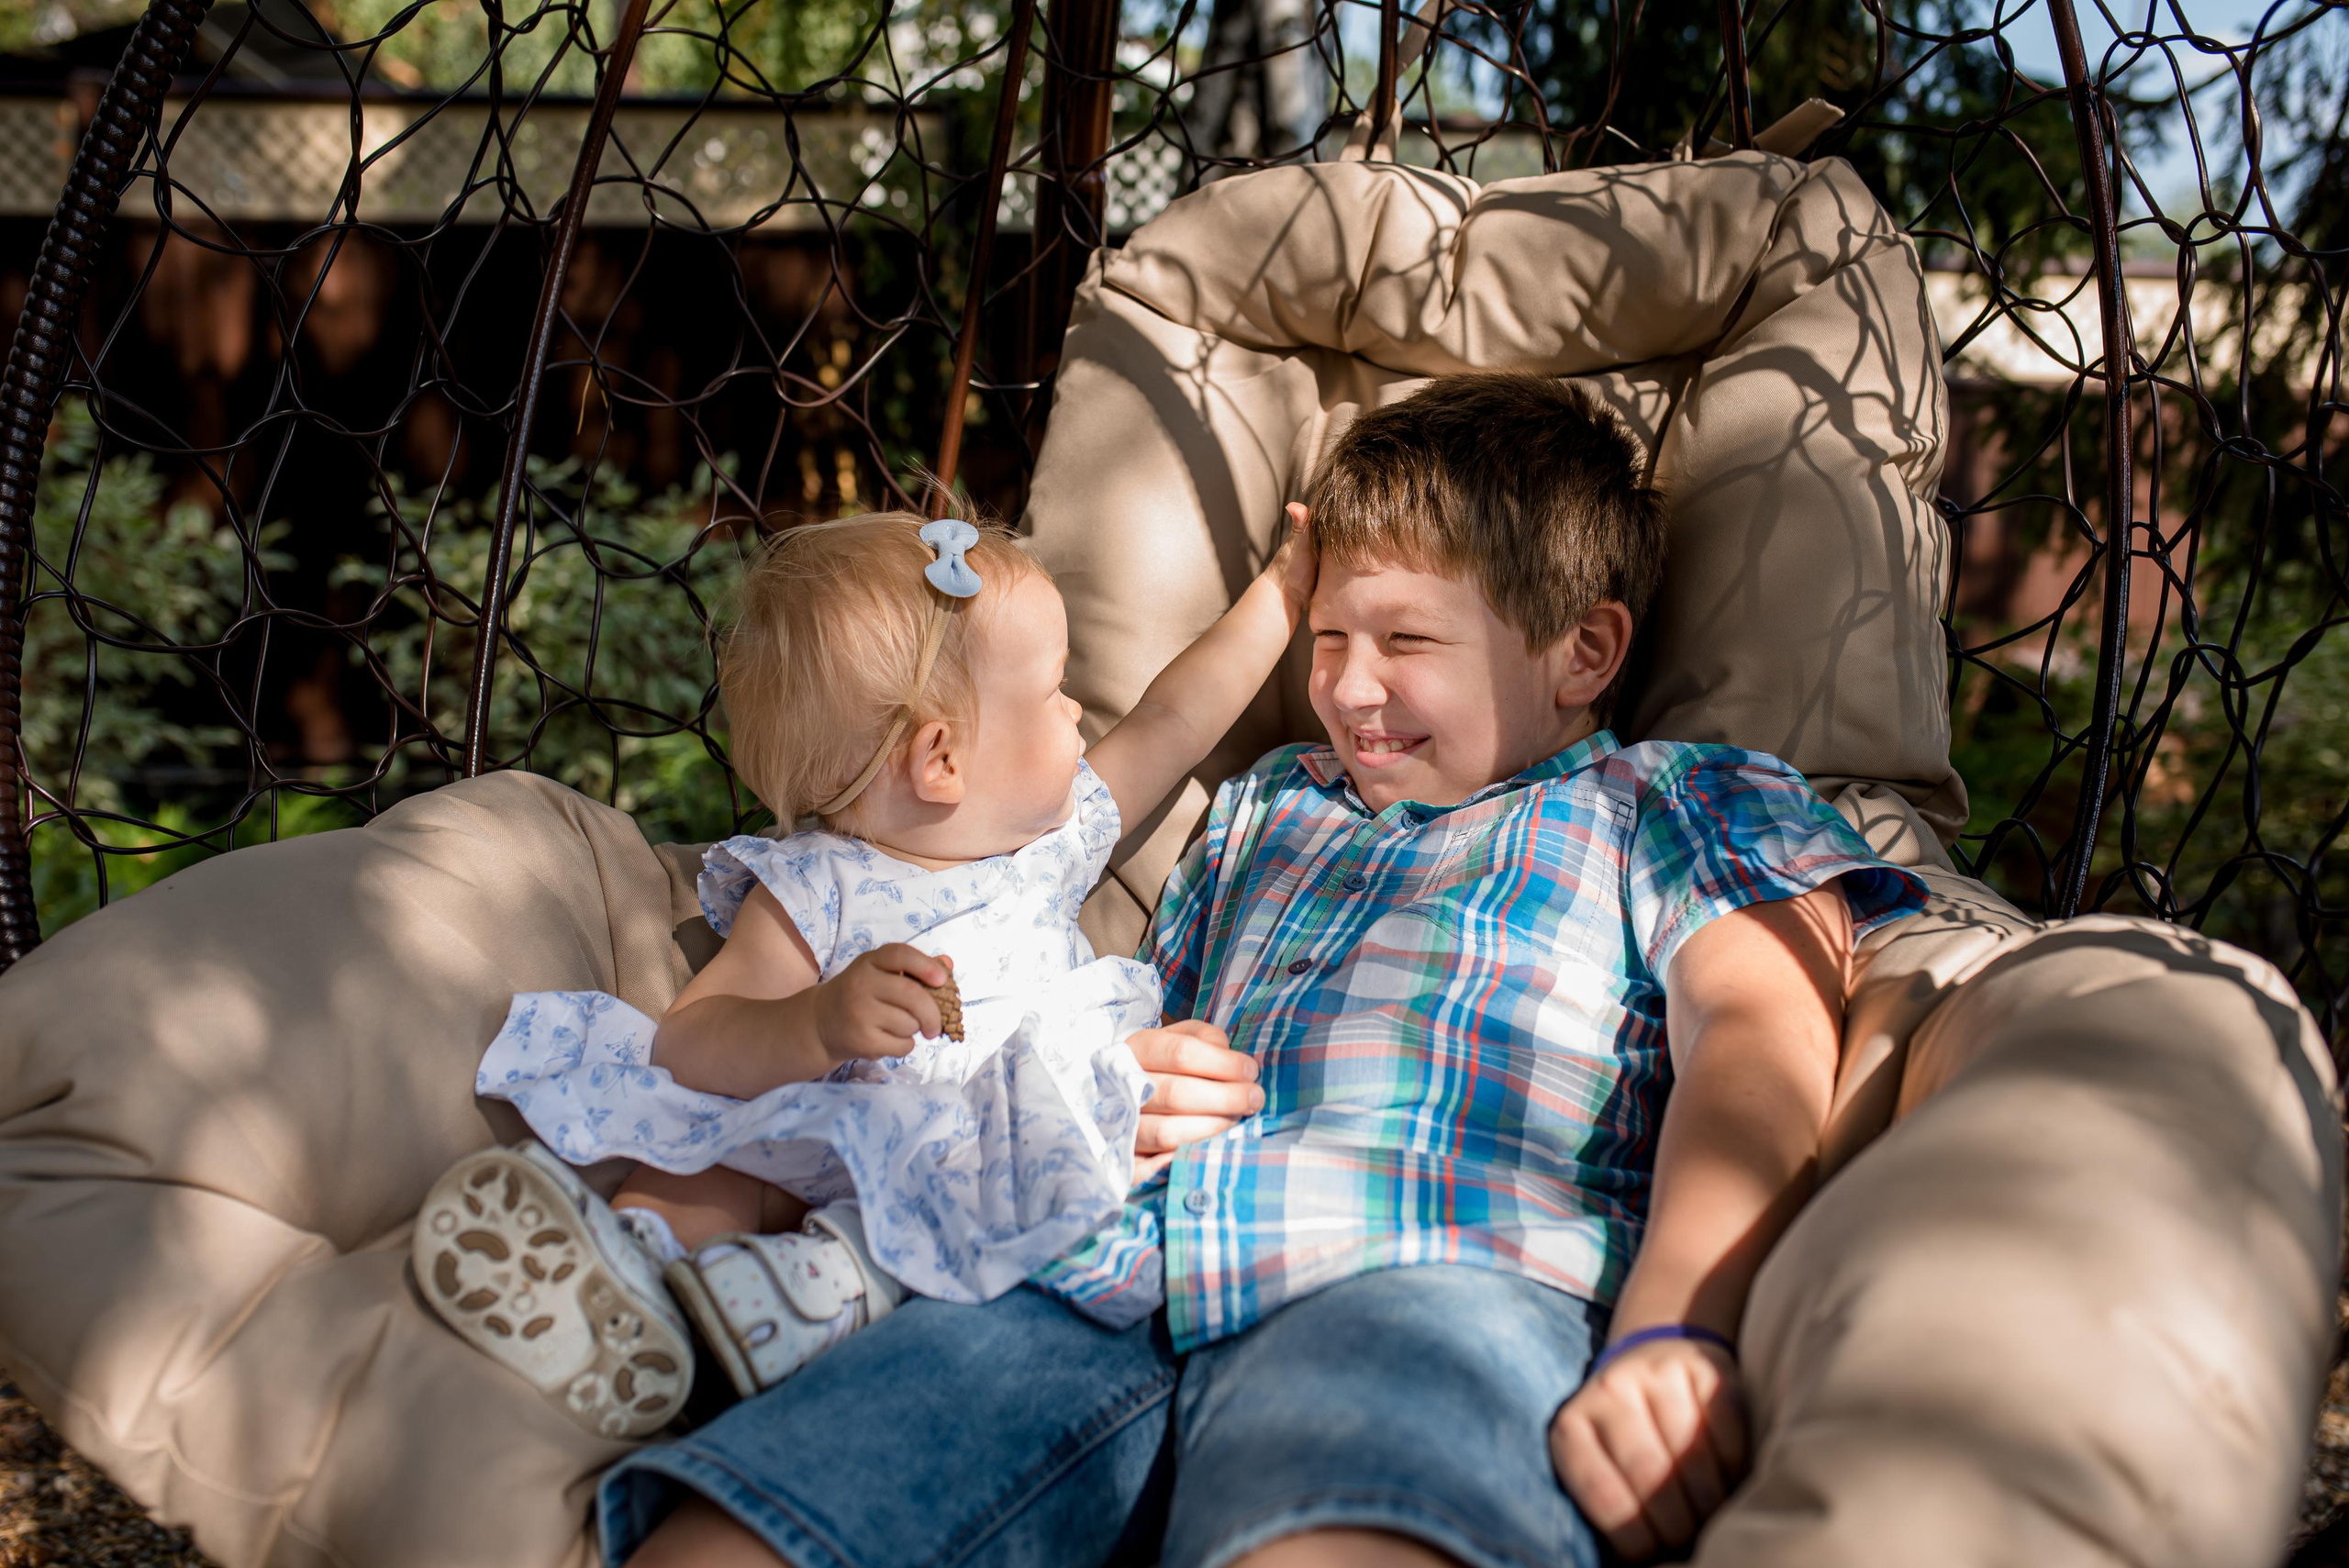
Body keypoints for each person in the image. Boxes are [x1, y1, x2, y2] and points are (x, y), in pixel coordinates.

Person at [596, 372, 1932, 1568]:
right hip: (1098, 1272)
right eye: (1330, 636)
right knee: (744, 1532)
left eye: (1407, 642)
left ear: (1582, 649)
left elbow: (1759, 1043)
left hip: (1424, 1276)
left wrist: (1675, 1323)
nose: (1349, 687)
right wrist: (1116, 1084)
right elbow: (1109, 1012)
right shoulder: (1267, 804)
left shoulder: (1668, 798)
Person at [411, 504, 1314, 1440]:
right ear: (941, 758)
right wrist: (813, 1023)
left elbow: (1176, 714)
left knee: (1060, 1152)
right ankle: (636, 1286)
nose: (1079, 710)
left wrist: (1283, 590)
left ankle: (800, 1296)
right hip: (846, 1141)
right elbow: (689, 1040)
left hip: (998, 1141)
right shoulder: (815, 884)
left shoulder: (1053, 837)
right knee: (702, 1147)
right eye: (1054, 692)